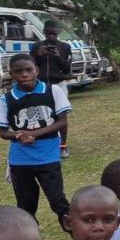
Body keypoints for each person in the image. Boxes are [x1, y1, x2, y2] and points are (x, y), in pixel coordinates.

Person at [0, 53, 72, 224]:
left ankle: (79, 238)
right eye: (18, 71)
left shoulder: (53, 91)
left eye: (29, 70)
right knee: (26, 205)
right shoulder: (6, 99)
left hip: (48, 156)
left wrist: (35, 134)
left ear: (36, 70)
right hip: (20, 160)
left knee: (58, 201)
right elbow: (3, 132)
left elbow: (62, 122)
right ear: (12, 74)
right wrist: (18, 135)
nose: (24, 74)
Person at [30, 20, 73, 158]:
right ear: (44, 33)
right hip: (40, 85)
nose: (51, 37)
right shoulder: (36, 47)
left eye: (54, 34)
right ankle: (45, 142)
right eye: (48, 34)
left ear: (58, 33)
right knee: (42, 114)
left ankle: (63, 146)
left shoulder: (65, 47)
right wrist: (38, 55)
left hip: (58, 84)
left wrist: (58, 57)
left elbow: (67, 69)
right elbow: (31, 66)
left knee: (61, 115)